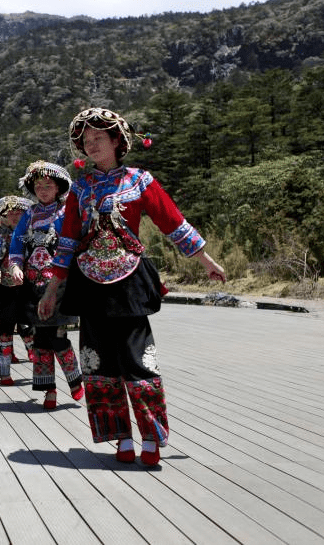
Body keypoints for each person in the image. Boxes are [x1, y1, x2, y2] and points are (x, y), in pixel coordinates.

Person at [40, 107, 226, 466]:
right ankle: (120, 438)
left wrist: (206, 261)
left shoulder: (140, 181)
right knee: (97, 363)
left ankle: (152, 438)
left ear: (116, 141)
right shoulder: (81, 188)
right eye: (86, 141)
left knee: (140, 360)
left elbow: (172, 221)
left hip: (129, 283)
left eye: (99, 139)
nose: (91, 145)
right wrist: (51, 291)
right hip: (89, 283)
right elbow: (66, 242)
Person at [9, 161, 84, 410]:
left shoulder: (65, 213)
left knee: (58, 336)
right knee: (40, 337)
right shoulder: (28, 215)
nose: (43, 190)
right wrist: (16, 266)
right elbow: (17, 245)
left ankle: (74, 379)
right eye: (38, 185)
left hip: (58, 281)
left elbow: (74, 241)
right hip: (32, 283)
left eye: (48, 185)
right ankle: (48, 390)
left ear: (58, 187)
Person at [0, 195, 36, 386]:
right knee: (4, 329)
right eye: (10, 213)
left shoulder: (33, 233)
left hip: (29, 286)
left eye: (19, 212)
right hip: (5, 287)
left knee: (29, 324)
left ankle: (40, 367)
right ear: (3, 216)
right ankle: (4, 372)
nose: (15, 216)